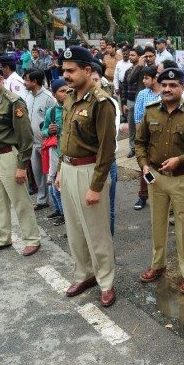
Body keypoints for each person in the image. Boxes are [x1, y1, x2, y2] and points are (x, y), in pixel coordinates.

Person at [55, 46, 117, 308]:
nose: (66, 76)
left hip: (90, 171)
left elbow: (107, 150)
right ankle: (84, 274)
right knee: (75, 229)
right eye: (64, 71)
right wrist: (60, 169)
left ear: (88, 71)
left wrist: (96, 186)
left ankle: (106, 281)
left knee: (96, 231)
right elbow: (65, 137)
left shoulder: (101, 103)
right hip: (68, 169)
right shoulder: (69, 98)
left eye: (71, 71)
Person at [135, 67, 184, 294]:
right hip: (156, 178)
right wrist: (143, 164)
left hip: (183, 179)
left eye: (173, 85)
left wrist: (179, 160)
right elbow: (140, 142)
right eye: (163, 85)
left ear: (182, 88)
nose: (167, 89)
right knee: (158, 224)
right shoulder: (150, 111)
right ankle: (158, 265)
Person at [0, 65, 41, 256]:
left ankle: (32, 239)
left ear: (0, 80)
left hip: (8, 157)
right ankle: (3, 237)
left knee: (20, 201)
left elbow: (25, 137)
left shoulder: (13, 102)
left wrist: (22, 166)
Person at [90, 62, 121, 237]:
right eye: (90, 79)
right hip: (85, 163)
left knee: (106, 207)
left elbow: (109, 139)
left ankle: (108, 245)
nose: (93, 83)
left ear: (101, 81)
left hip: (106, 162)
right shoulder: (78, 101)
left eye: (96, 79)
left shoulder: (109, 104)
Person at [23, 69, 57, 210]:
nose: (24, 83)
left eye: (26, 80)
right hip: (32, 143)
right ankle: (42, 200)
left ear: (34, 82)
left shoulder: (49, 98)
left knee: (50, 173)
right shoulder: (28, 96)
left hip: (46, 143)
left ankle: (58, 204)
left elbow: (54, 120)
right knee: (38, 174)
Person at [132, 65, 161, 211]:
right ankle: (143, 196)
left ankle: (160, 195)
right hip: (146, 137)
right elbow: (137, 118)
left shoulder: (164, 93)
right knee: (144, 166)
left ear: (155, 78)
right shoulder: (143, 94)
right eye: (143, 77)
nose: (143, 80)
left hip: (161, 137)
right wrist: (141, 139)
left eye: (146, 78)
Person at [41, 78, 69, 226]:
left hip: (70, 155)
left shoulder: (73, 109)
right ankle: (59, 210)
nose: (65, 94)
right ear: (54, 94)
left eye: (67, 90)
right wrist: (48, 131)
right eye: (62, 91)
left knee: (62, 188)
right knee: (53, 186)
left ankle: (66, 214)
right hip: (56, 154)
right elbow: (43, 130)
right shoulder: (51, 112)